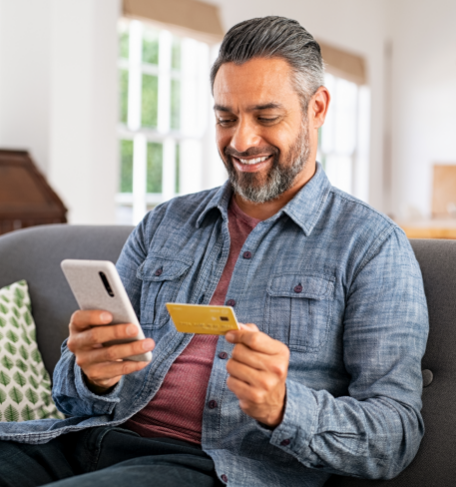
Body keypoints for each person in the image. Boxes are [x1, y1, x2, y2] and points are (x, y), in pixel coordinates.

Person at [0, 16, 428, 487]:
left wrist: (285, 408)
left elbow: (396, 436)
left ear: (317, 108)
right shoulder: (164, 223)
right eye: (226, 118)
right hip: (85, 439)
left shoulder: (371, 245)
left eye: (266, 117)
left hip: (212, 466)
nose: (241, 141)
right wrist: (91, 375)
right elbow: (73, 396)